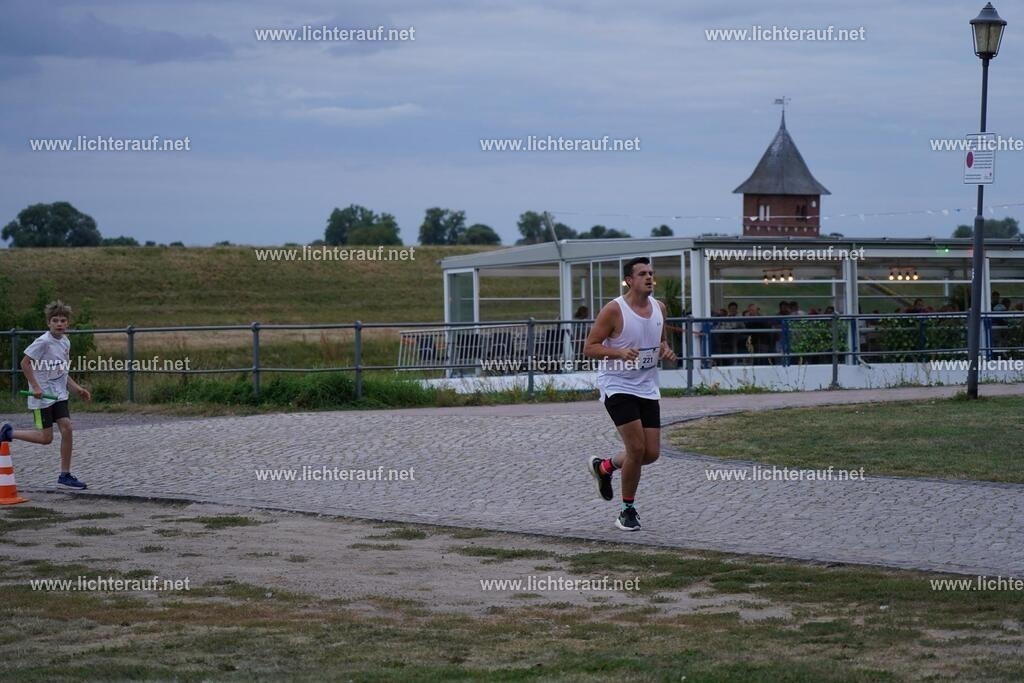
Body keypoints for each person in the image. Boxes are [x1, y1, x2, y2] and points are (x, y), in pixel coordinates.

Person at [584, 257, 676, 531]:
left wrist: (665, 350)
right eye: (642, 274)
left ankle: (604, 468)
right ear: (629, 280)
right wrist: (618, 352)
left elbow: (660, 340)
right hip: (618, 385)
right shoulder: (614, 310)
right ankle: (627, 511)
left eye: (651, 273)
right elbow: (589, 347)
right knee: (636, 449)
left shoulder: (660, 308)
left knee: (651, 453)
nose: (649, 277)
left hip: (647, 386)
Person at [0, 300, 92, 489]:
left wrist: (77, 389)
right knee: (45, 438)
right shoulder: (43, 342)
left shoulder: (65, 342)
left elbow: (62, 371)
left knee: (67, 428)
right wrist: (35, 387)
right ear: (49, 323)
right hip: (41, 399)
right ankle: (8, 432)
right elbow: (25, 363)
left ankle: (65, 475)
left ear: (67, 323)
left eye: (63, 321)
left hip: (59, 395)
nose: (59, 324)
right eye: (55, 320)